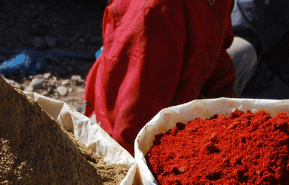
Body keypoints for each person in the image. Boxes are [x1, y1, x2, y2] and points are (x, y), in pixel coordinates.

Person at [84, 0, 238, 151]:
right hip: (128, 128)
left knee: (245, 54)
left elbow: (218, 60)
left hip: (178, 103)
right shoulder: (154, 11)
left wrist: (233, 122)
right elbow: (133, 123)